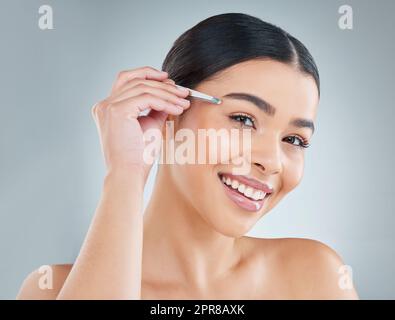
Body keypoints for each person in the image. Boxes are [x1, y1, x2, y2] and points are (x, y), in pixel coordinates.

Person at [16, 13, 359, 299]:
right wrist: (125, 174)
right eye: (243, 119)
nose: (271, 161)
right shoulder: (52, 290)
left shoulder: (316, 278)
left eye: (295, 139)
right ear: (169, 112)